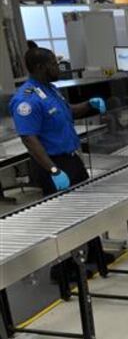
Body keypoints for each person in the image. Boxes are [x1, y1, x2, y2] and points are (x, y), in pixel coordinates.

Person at [8, 47, 109, 284]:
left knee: (86, 209)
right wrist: (53, 170)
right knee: (64, 218)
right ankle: (64, 268)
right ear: (40, 67)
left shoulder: (50, 89)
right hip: (53, 166)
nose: (58, 67)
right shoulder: (26, 99)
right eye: (54, 63)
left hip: (72, 159)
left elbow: (68, 112)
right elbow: (29, 139)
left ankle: (94, 254)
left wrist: (89, 104)